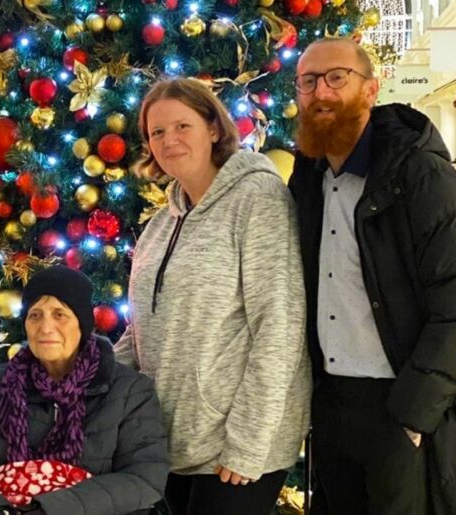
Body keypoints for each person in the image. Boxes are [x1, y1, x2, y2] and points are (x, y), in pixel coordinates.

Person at [113, 78, 311, 515]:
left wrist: (248, 443)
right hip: (171, 439)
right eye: (157, 132)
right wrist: (88, 383)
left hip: (235, 446)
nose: (169, 140)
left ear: (214, 129)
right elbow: (139, 328)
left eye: (182, 126)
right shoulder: (161, 224)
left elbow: (280, 325)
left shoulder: (257, 198)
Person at [288, 37, 456, 515]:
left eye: (336, 77)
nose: (320, 92)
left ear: (370, 89)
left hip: (399, 404)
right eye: (308, 81)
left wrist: (411, 418)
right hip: (331, 405)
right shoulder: (308, 176)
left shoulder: (420, 175)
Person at [0, 266, 169, 515]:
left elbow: (144, 477)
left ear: (82, 323)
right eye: (35, 315)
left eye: (60, 314)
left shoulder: (130, 391)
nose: (45, 328)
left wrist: (48, 509)